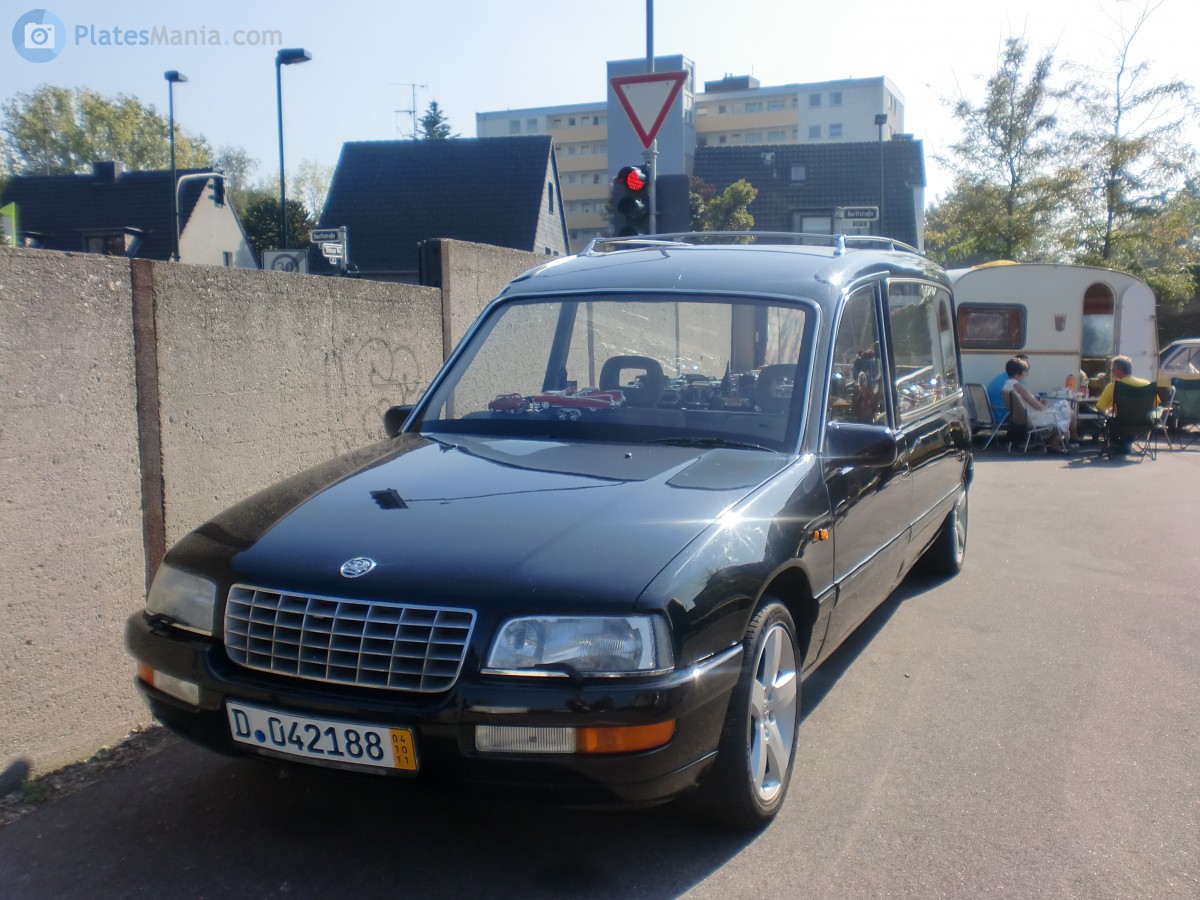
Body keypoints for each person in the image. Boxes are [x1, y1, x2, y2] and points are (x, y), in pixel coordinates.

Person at [1001, 357, 1071, 453]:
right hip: (1035, 418)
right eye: (1025, 371)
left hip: (1024, 417)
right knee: (1065, 407)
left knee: (1061, 407)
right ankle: (1054, 444)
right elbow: (1037, 406)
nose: (1027, 374)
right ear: (1018, 373)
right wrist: (1045, 405)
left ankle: (1050, 441)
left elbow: (1027, 403)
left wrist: (1040, 403)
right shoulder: (1018, 386)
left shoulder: (1007, 385)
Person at [1094, 355, 1154, 455]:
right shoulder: (1147, 384)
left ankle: (1120, 445)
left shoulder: (1113, 386)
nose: (1112, 371)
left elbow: (1101, 408)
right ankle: (1125, 444)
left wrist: (1107, 413)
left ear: (1119, 370)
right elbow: (1154, 405)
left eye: (1113, 369)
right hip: (1145, 424)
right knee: (1127, 422)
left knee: (1110, 422)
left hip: (1122, 424)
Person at [987, 353, 1028, 421]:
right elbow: (1025, 401)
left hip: (993, 412)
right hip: (1003, 414)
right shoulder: (1015, 382)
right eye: (1026, 366)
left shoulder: (1003, 377)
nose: (1027, 368)